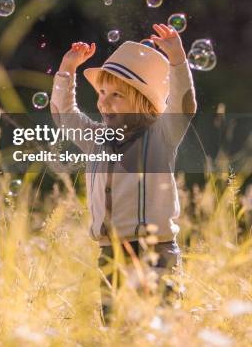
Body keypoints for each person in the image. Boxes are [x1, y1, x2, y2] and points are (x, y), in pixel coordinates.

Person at [50, 24, 197, 322]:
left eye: (117, 95)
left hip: (156, 253)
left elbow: (184, 104)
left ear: (143, 102)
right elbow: (63, 114)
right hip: (110, 253)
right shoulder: (96, 139)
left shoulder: (160, 137)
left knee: (159, 328)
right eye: (102, 92)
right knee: (115, 329)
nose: (104, 101)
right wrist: (67, 70)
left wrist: (178, 61)